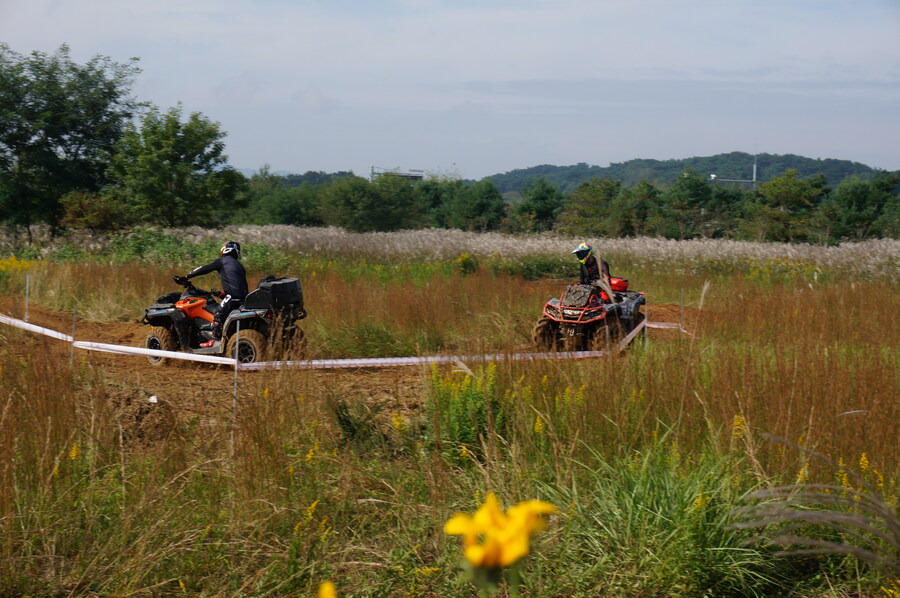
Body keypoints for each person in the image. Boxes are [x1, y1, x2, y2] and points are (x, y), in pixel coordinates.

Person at [176, 240, 248, 347]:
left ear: (224, 250)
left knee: (218, 313)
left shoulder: (223, 261)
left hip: (232, 296)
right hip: (243, 298)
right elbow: (238, 286)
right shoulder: (239, 265)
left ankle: (215, 340)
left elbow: (204, 268)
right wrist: (221, 295)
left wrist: (186, 277)